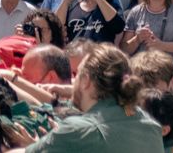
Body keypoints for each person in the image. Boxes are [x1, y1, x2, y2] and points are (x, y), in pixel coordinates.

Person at [32, 44, 161, 152]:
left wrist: (42, 144)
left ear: (86, 81)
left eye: (76, 75)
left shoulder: (78, 129)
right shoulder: (151, 126)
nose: (73, 81)